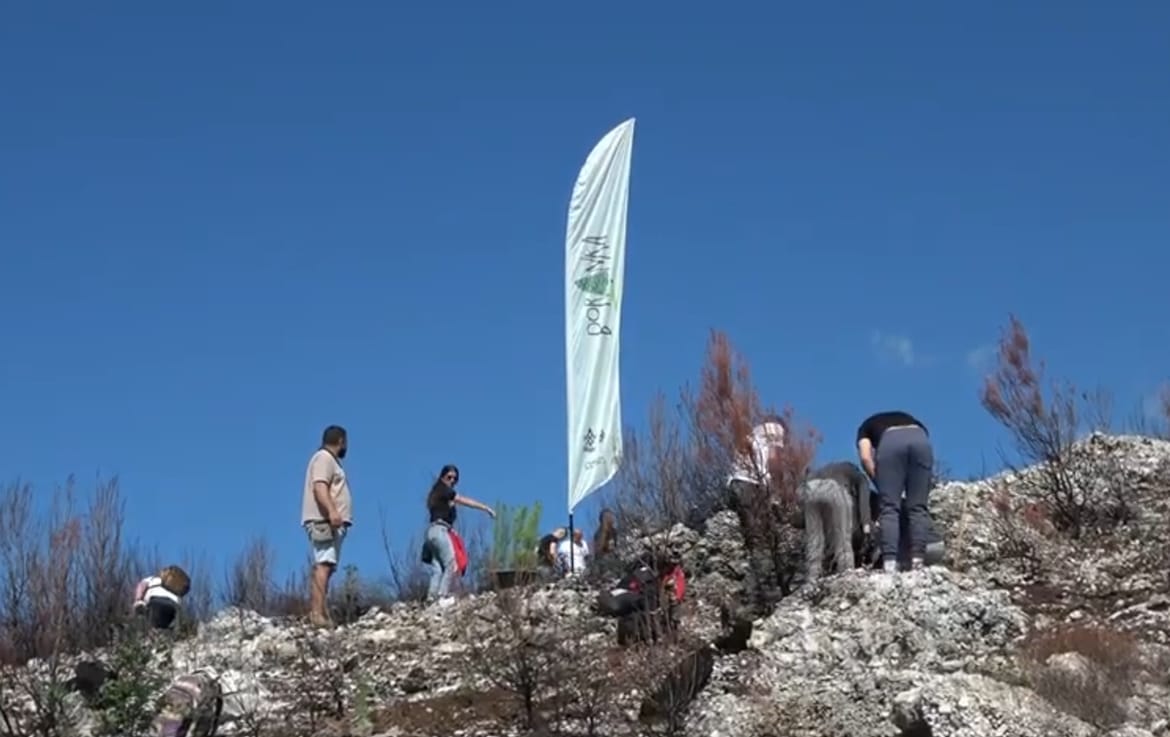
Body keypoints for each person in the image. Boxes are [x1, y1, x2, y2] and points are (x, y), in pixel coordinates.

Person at [856, 411, 934, 573]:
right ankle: (918, 561)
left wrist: (880, 482)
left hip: (890, 442)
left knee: (890, 508)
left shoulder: (866, 426)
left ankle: (890, 563)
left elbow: (865, 457)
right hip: (920, 438)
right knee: (918, 507)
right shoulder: (910, 418)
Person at [301, 425, 353, 628]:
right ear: (341, 441)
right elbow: (320, 486)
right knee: (323, 564)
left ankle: (321, 611)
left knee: (328, 566)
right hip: (324, 521)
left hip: (330, 522)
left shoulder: (330, 460)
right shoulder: (323, 458)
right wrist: (332, 511)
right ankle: (317, 615)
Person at [422, 464, 495, 605]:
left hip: (432, 532)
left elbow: (441, 510)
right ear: (442, 477)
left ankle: (431, 599)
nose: (452, 481)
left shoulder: (436, 493)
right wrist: (485, 508)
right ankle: (442, 597)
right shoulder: (443, 489)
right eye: (449, 477)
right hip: (439, 531)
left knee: (437, 568)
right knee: (451, 563)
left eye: (455, 479)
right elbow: (463, 500)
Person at [799, 460, 872, 582]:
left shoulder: (820, 471)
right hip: (834, 488)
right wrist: (866, 523)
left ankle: (812, 579)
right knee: (843, 539)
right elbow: (864, 496)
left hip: (809, 489)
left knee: (814, 541)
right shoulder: (857, 474)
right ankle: (847, 578)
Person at [726, 414, 788, 502]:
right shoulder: (776, 432)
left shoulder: (752, 437)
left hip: (735, 482)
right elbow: (773, 460)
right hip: (753, 484)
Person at [131, 565, 189, 630]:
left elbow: (141, 586)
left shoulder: (152, 579)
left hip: (156, 602)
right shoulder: (175, 584)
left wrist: (138, 600)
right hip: (173, 606)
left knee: (147, 621)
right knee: (165, 625)